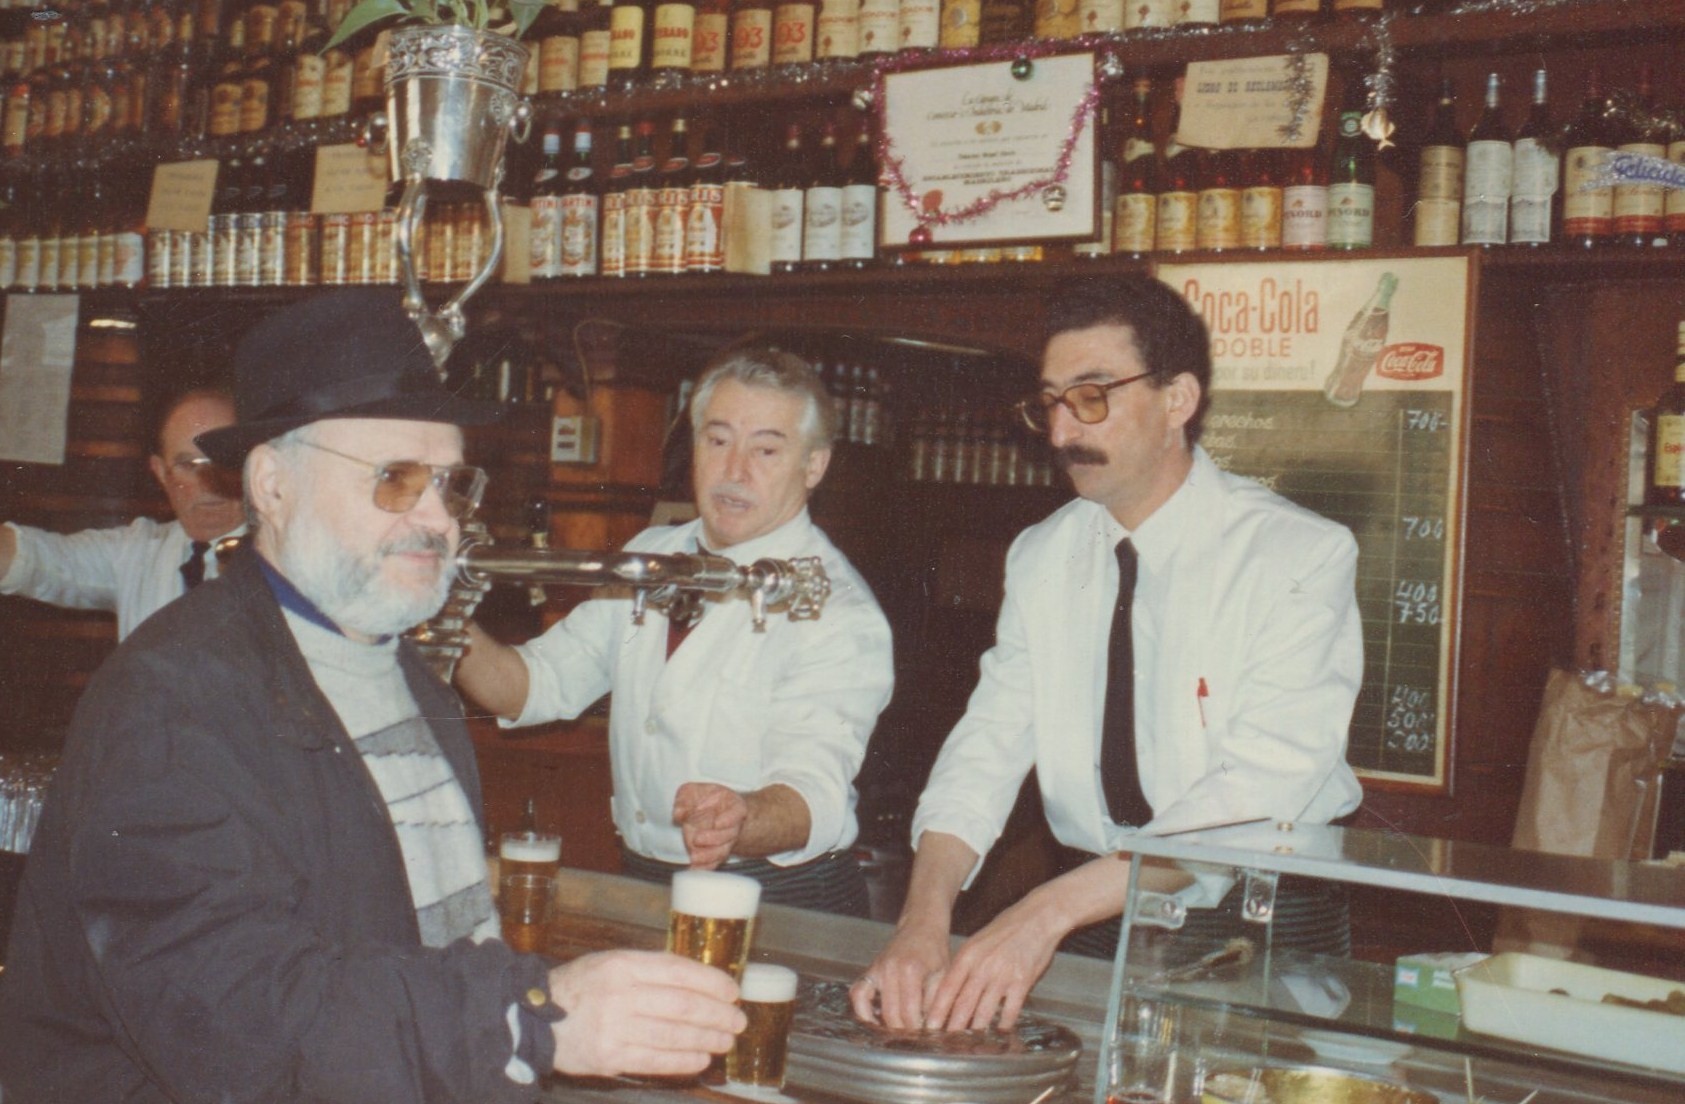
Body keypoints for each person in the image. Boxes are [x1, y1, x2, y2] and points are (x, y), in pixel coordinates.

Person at [0, 290, 745, 1103]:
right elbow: (234, 1018)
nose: (438, 521)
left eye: (453, 485)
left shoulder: (402, 671)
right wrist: (527, 1017)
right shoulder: (173, 697)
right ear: (273, 485)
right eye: (395, 480)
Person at [849, 274, 1364, 1033]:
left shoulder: (1296, 554)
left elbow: (1254, 797)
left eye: (1091, 397)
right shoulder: (1042, 556)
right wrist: (922, 919)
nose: (1061, 433)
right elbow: (988, 746)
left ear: (1177, 400)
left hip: (1259, 923)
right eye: (1051, 401)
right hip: (1091, 915)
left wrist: (1037, 914)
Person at [456, 346, 893, 917]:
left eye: (766, 449)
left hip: (777, 899)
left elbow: (814, 790)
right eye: (717, 441)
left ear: (813, 467)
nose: (735, 471)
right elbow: (532, 685)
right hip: (645, 885)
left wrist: (743, 816)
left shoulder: (836, 609)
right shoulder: (650, 555)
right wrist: (441, 617)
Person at [0, 385, 245, 639]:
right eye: (188, 464)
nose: (208, 481)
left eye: (225, 460)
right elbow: (39, 559)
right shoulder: (139, 552)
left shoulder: (280, 552)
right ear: (161, 473)